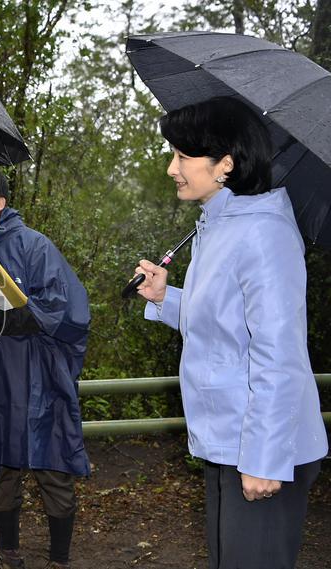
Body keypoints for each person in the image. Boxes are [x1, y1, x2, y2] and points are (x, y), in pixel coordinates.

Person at [133, 96, 328, 569]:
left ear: (226, 164)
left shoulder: (263, 233)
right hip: (228, 436)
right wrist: (166, 298)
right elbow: (224, 325)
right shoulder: (219, 227)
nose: (170, 168)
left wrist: (264, 458)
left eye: (182, 156)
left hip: (263, 445)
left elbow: (277, 353)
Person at [0, 166, 90, 569]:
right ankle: (9, 554)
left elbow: (62, 312)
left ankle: (59, 560)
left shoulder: (35, 247)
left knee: (53, 467)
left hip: (39, 377)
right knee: (2, 469)